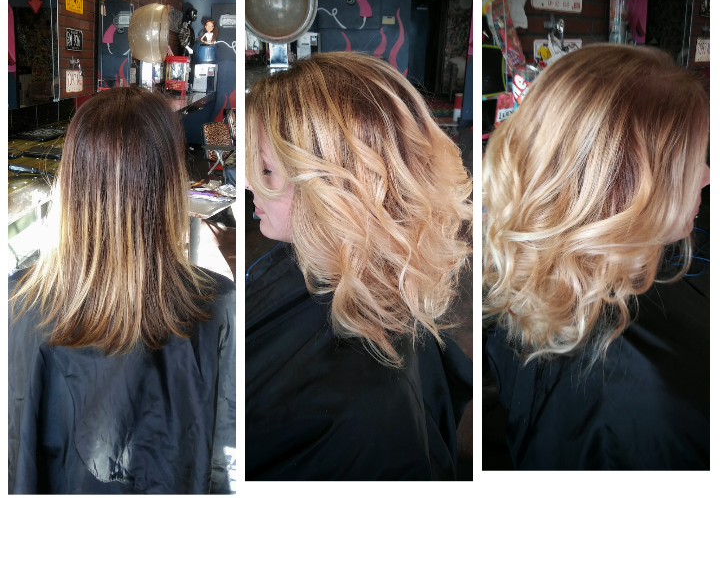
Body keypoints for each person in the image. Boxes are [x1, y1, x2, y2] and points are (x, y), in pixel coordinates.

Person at [245, 52, 473, 480]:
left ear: (335, 192)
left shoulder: (365, 414)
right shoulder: (311, 261)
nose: (246, 182)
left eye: (266, 170)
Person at [482, 44, 710, 470]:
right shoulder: (661, 406)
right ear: (626, 188)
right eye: (694, 162)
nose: (708, 176)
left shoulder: (531, 279)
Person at [8, 86, 236, 494]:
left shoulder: (17, 303)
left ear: (71, 180)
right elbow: (225, 460)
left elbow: (14, 450)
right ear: (170, 182)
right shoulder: (218, 305)